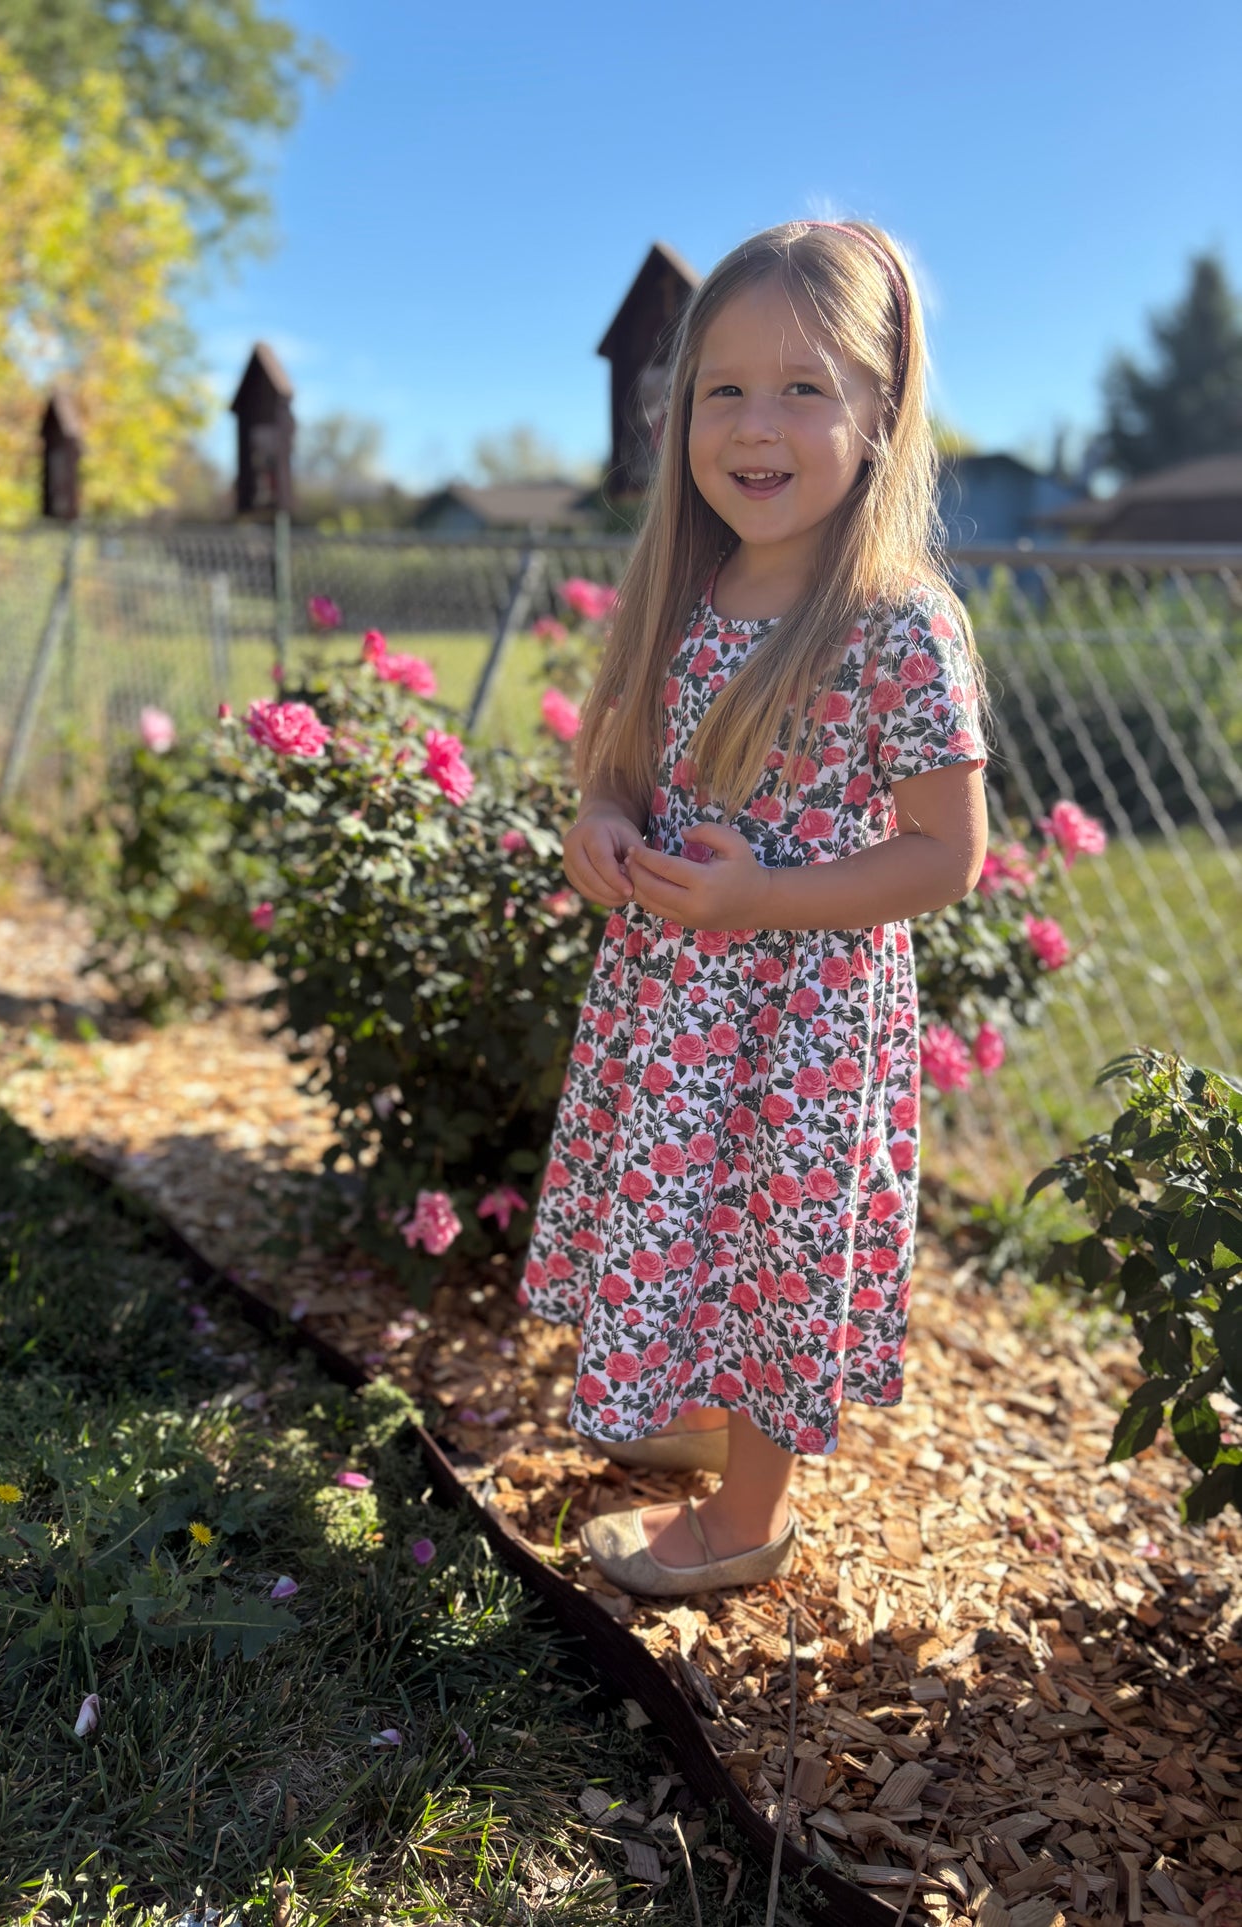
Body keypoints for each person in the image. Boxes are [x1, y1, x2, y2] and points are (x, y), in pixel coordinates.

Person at [517, 219, 990, 1599]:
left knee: (770, 1243)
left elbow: (944, 859)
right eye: (721, 388)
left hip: (800, 1022)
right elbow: (611, 765)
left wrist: (761, 896)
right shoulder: (681, 586)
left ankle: (747, 1517)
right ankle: (691, 1409)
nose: (755, 423)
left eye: (804, 387)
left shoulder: (897, 624)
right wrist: (599, 826)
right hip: (672, 1009)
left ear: (879, 412)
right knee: (677, 1215)